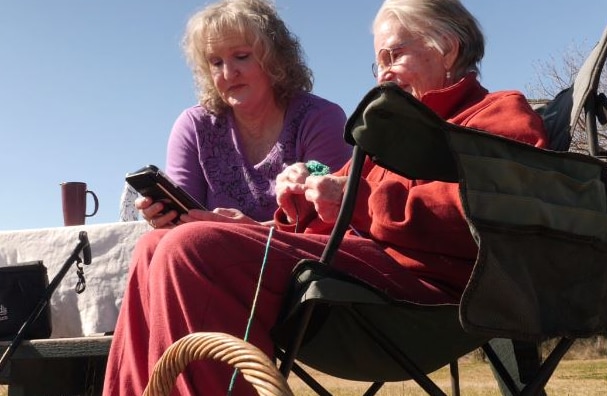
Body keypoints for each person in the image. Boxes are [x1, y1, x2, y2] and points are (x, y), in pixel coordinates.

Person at [102, 0, 547, 394]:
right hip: (365, 268)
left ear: (447, 48)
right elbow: (329, 225)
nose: (385, 73)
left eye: (394, 54)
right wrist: (289, 209)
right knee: (153, 246)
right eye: (379, 62)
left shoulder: (497, 113)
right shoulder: (392, 134)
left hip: (430, 286)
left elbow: (496, 211)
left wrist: (353, 198)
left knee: (189, 248)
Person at [119, 0, 350, 228]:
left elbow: (327, 222)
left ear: (274, 58)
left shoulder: (321, 118)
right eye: (216, 62)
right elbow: (184, 222)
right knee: (153, 243)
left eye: (241, 56)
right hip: (208, 252)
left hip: (299, 257)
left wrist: (251, 232)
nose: (229, 74)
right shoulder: (194, 126)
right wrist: (164, 217)